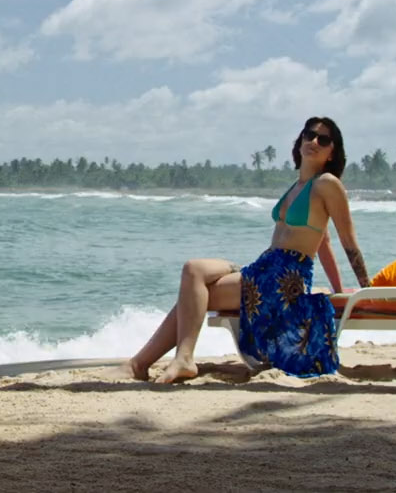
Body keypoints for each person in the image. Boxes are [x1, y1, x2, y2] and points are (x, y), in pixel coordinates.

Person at [122, 116, 370, 383]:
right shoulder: (297, 186)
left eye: (324, 139)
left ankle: (158, 362)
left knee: (195, 285)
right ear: (300, 142)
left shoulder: (327, 183)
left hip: (285, 280)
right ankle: (156, 362)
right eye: (309, 135)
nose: (314, 141)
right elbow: (324, 242)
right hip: (265, 268)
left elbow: (347, 239)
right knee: (194, 272)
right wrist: (337, 287)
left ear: (332, 152)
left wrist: (365, 289)